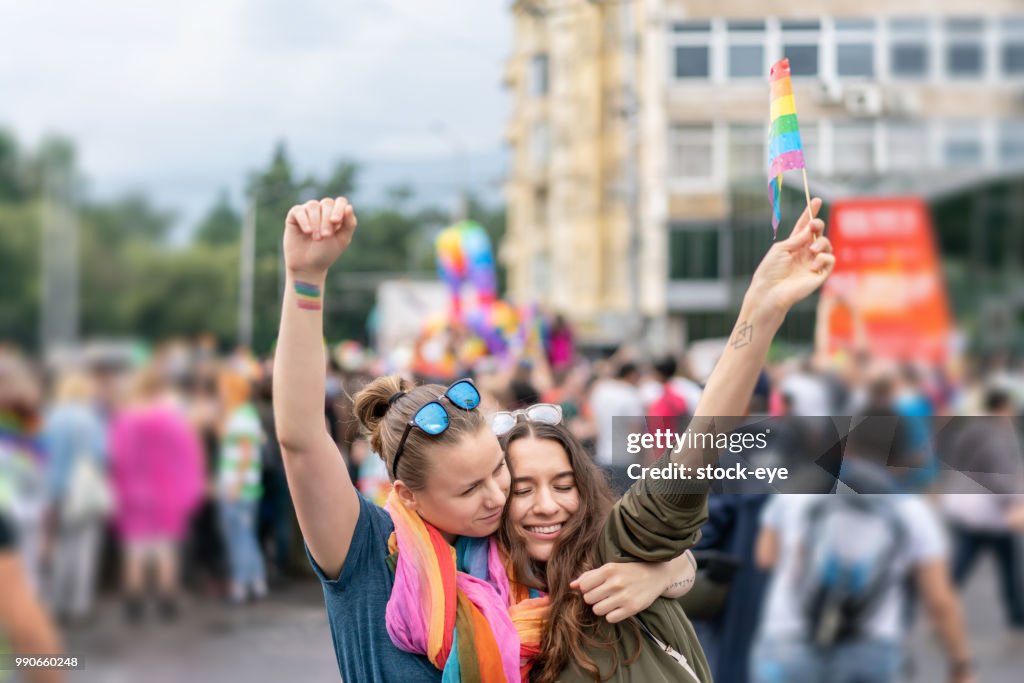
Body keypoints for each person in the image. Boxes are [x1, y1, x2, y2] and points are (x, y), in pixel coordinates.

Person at [273, 197, 699, 682]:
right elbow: (301, 437)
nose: (497, 495)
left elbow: (675, 557)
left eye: (498, 471)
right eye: (469, 489)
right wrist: (306, 281)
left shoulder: (520, 540)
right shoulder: (369, 553)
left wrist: (661, 575)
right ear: (410, 495)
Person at [494, 198, 836, 682]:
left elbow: (693, 454)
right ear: (493, 498)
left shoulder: (613, 551)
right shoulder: (466, 602)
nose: (546, 505)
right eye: (523, 489)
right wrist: (672, 571)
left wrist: (761, 311)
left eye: (563, 484)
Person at [753, 493, 975, 683]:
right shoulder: (910, 508)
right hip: (869, 645)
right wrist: (960, 663)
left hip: (789, 642)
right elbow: (940, 602)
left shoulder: (795, 492)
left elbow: (765, 557)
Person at [109, 367, 205, 622]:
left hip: (133, 492)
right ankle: (167, 603)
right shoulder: (173, 420)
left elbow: (118, 457)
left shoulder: (126, 420)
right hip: (167, 493)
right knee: (166, 549)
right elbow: (188, 457)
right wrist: (190, 490)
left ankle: (134, 605)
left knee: (135, 550)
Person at [41, 371, 110, 624]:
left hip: (52, 489)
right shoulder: (92, 419)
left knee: (57, 547)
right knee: (84, 550)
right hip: (83, 492)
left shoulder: (49, 416)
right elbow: (101, 456)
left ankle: (54, 602)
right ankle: (78, 605)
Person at [216, 370, 268, 604]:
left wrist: (235, 485)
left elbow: (246, 452)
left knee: (240, 537)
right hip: (241, 486)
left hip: (239, 487)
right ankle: (256, 582)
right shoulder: (241, 414)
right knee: (244, 535)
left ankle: (241, 585)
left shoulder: (243, 415)